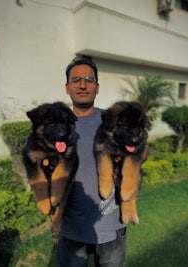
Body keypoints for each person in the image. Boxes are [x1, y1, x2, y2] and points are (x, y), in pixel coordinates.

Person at [56, 56, 127, 267]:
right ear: (67, 88)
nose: (83, 84)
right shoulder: (56, 124)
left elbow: (140, 153)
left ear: (97, 87)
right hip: (70, 228)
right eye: (76, 80)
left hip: (111, 224)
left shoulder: (114, 120)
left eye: (89, 79)